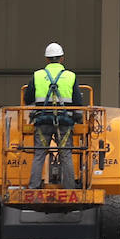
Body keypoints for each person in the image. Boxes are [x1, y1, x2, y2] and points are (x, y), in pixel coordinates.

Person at [23, 42, 83, 189]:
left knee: (39, 154)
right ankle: (69, 188)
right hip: (64, 122)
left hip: (42, 121)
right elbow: (78, 102)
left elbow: (27, 98)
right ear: (62, 58)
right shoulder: (70, 76)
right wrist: (77, 118)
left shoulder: (37, 75)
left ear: (47, 59)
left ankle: (33, 187)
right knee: (66, 155)